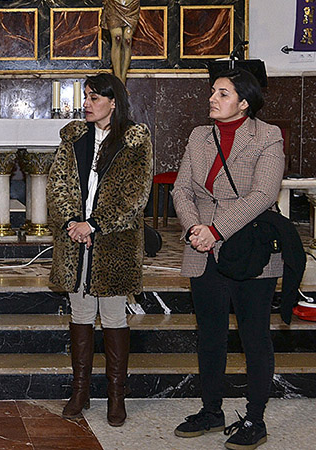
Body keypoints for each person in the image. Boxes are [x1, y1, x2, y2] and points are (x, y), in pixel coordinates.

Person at [172, 68, 284, 450]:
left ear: (244, 102)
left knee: (255, 338)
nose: (212, 99)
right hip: (202, 249)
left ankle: (255, 418)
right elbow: (181, 189)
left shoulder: (267, 136)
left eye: (222, 94)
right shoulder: (198, 136)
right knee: (210, 338)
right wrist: (194, 230)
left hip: (248, 249)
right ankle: (211, 409)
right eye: (213, 92)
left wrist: (215, 230)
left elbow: (263, 194)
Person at [47, 73, 152, 427]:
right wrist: (71, 224)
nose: (86, 104)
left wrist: (94, 224)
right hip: (75, 240)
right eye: (86, 97)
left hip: (114, 242)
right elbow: (57, 183)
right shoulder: (74, 137)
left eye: (94, 98)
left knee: (112, 316)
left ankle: (115, 395)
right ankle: (79, 390)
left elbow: (134, 196)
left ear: (113, 102)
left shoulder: (135, 140)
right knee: (80, 313)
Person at [101, 0, 140, 84]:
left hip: (131, 4)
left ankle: (123, 80)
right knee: (117, 38)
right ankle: (118, 80)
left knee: (127, 40)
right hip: (114, 4)